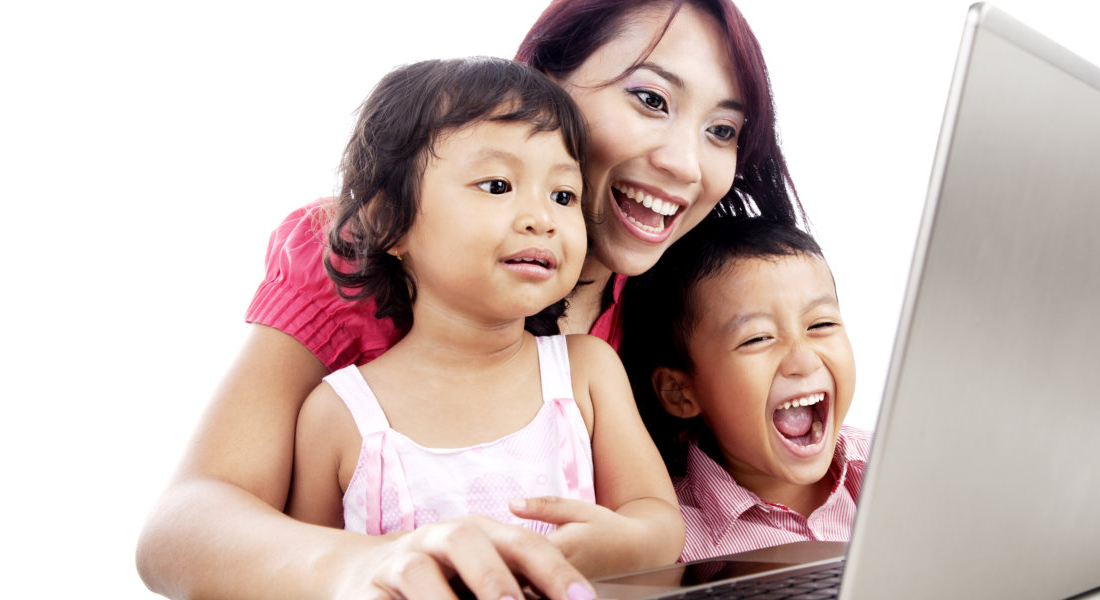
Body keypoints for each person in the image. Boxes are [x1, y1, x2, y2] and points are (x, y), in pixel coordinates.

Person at [136, 1, 805, 598]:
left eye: (722, 131)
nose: (688, 166)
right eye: (652, 100)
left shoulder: (682, 299)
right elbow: (181, 530)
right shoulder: (354, 261)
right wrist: (360, 566)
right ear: (545, 80)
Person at [282, 55, 681, 600]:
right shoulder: (338, 416)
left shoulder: (586, 372)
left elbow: (657, 517)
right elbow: (303, 574)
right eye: (497, 185)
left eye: (563, 195)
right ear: (386, 221)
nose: (541, 217)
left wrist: (628, 545)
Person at [618, 216, 869, 562]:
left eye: (821, 324)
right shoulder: (670, 542)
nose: (803, 359)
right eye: (758, 338)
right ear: (681, 392)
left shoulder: (892, 469)